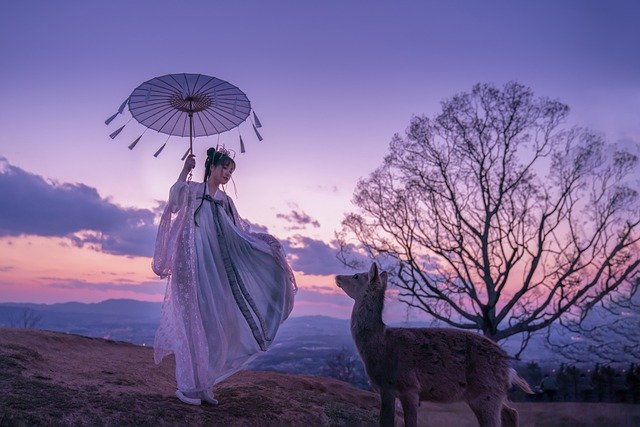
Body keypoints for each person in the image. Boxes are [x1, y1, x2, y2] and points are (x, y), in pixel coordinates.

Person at [152, 147, 297, 405]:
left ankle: (205, 383)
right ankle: (188, 386)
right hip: (190, 264)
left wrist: (265, 246)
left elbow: (239, 232)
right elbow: (173, 203)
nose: (228, 173)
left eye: (231, 170)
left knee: (213, 322)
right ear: (213, 166)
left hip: (215, 269)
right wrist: (185, 170)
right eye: (225, 167)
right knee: (191, 322)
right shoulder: (193, 190)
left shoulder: (226, 202)